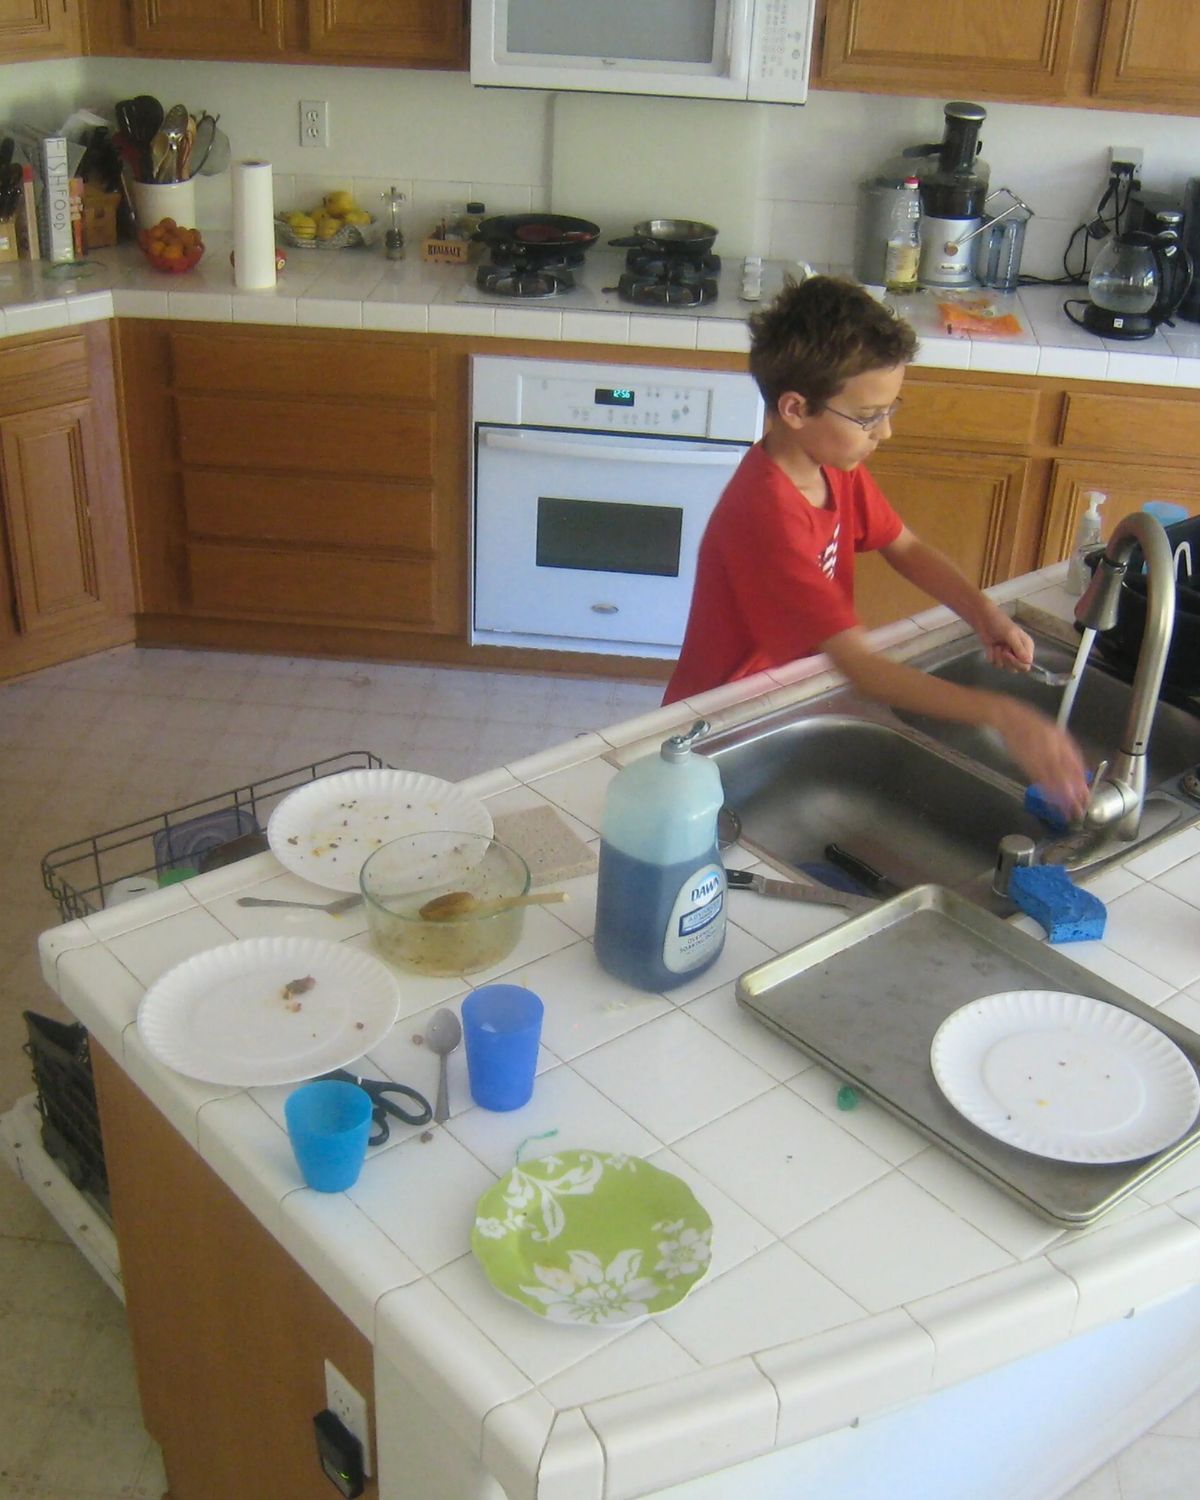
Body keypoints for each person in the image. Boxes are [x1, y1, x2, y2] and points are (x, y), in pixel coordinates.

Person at [664, 275, 1089, 818]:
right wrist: (1004, 714)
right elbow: (862, 668)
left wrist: (983, 614)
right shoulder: (766, 515)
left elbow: (904, 546)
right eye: (868, 417)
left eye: (890, 409)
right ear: (795, 409)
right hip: (720, 722)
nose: (884, 433)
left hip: (784, 696)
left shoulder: (829, 465)